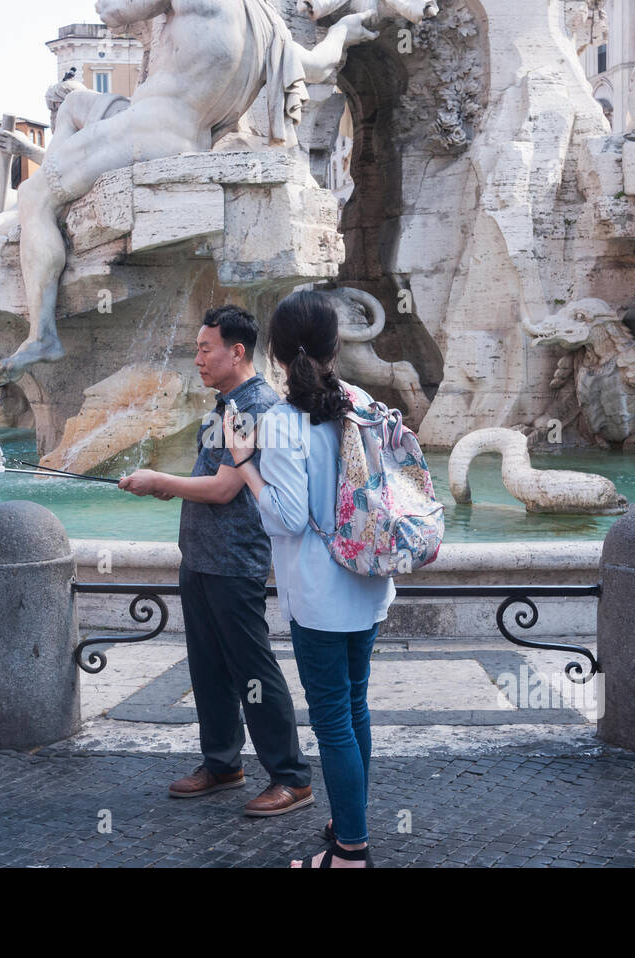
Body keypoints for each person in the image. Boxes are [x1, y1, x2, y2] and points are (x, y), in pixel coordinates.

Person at [119, 305, 315, 819]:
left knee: (253, 670)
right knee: (208, 668)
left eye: (206, 348)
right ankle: (223, 762)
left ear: (237, 351)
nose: (198, 357)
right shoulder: (224, 402)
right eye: (198, 348)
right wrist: (171, 492)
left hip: (234, 560)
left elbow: (228, 488)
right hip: (202, 557)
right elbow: (209, 481)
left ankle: (292, 777)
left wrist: (159, 482)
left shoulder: (257, 405)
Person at [226, 289, 396, 868]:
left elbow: (289, 516)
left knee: (331, 720)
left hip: (320, 596)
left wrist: (245, 465)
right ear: (334, 345)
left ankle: (350, 851)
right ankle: (350, 816)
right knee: (355, 707)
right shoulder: (360, 400)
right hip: (368, 580)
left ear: (274, 351)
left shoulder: (280, 421)